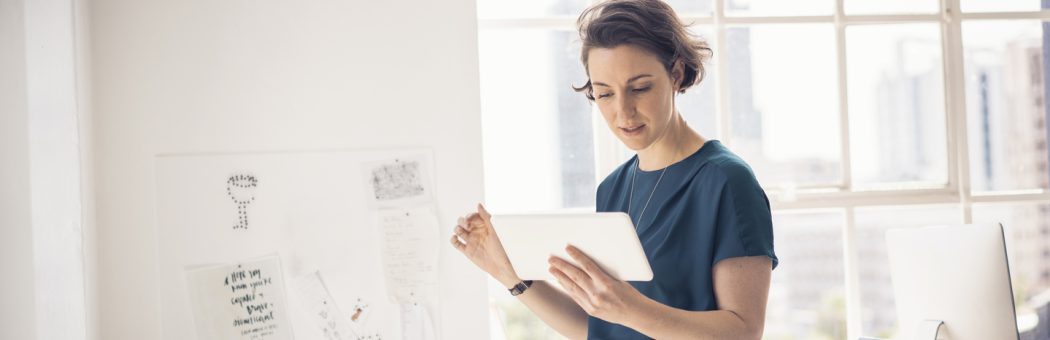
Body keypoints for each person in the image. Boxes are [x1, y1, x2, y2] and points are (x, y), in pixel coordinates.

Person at [450, 0, 778, 338]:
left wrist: (631, 308)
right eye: (604, 93)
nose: (624, 112)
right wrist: (510, 276)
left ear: (676, 73)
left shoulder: (726, 182)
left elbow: (743, 332)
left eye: (639, 88)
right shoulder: (613, 188)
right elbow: (600, 327)